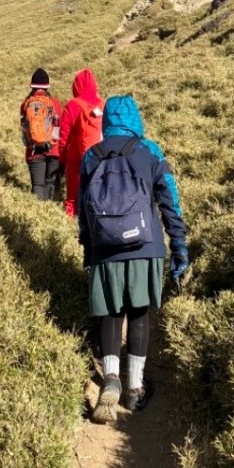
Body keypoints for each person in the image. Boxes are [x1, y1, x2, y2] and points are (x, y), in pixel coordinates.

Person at [78, 94, 190, 422]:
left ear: (107, 120)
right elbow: (169, 197)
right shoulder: (149, 151)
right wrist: (179, 242)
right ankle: (135, 390)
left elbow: (84, 210)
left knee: (111, 312)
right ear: (136, 118)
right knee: (139, 313)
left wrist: (89, 247)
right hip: (146, 245)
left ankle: (110, 378)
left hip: (105, 249)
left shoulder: (91, 156)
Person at [57, 68, 104, 217]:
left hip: (77, 158)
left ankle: (71, 228)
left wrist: (62, 159)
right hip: (101, 156)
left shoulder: (73, 105)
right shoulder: (103, 104)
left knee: (72, 199)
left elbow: (63, 136)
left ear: (76, 86)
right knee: (97, 194)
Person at [20, 68, 62, 200]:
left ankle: (39, 211)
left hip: (34, 151)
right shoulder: (55, 103)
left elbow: (24, 127)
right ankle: (49, 210)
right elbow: (58, 126)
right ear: (47, 86)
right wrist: (51, 144)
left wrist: (32, 145)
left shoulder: (25, 104)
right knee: (50, 183)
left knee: (38, 185)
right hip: (53, 151)